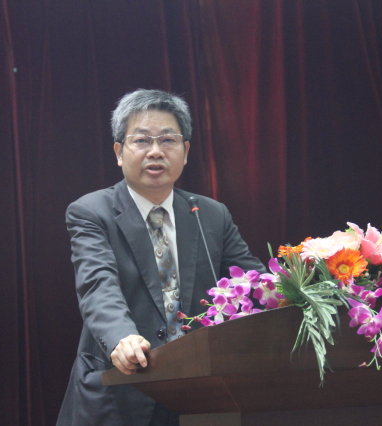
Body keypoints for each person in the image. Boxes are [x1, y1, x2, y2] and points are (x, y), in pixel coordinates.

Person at [56, 89, 265, 425]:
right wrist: (121, 338)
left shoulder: (210, 214)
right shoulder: (92, 212)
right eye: (141, 140)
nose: (155, 151)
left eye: (168, 140)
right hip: (122, 387)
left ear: (185, 152)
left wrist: (311, 283)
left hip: (198, 391)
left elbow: (256, 284)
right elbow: (98, 285)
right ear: (119, 153)